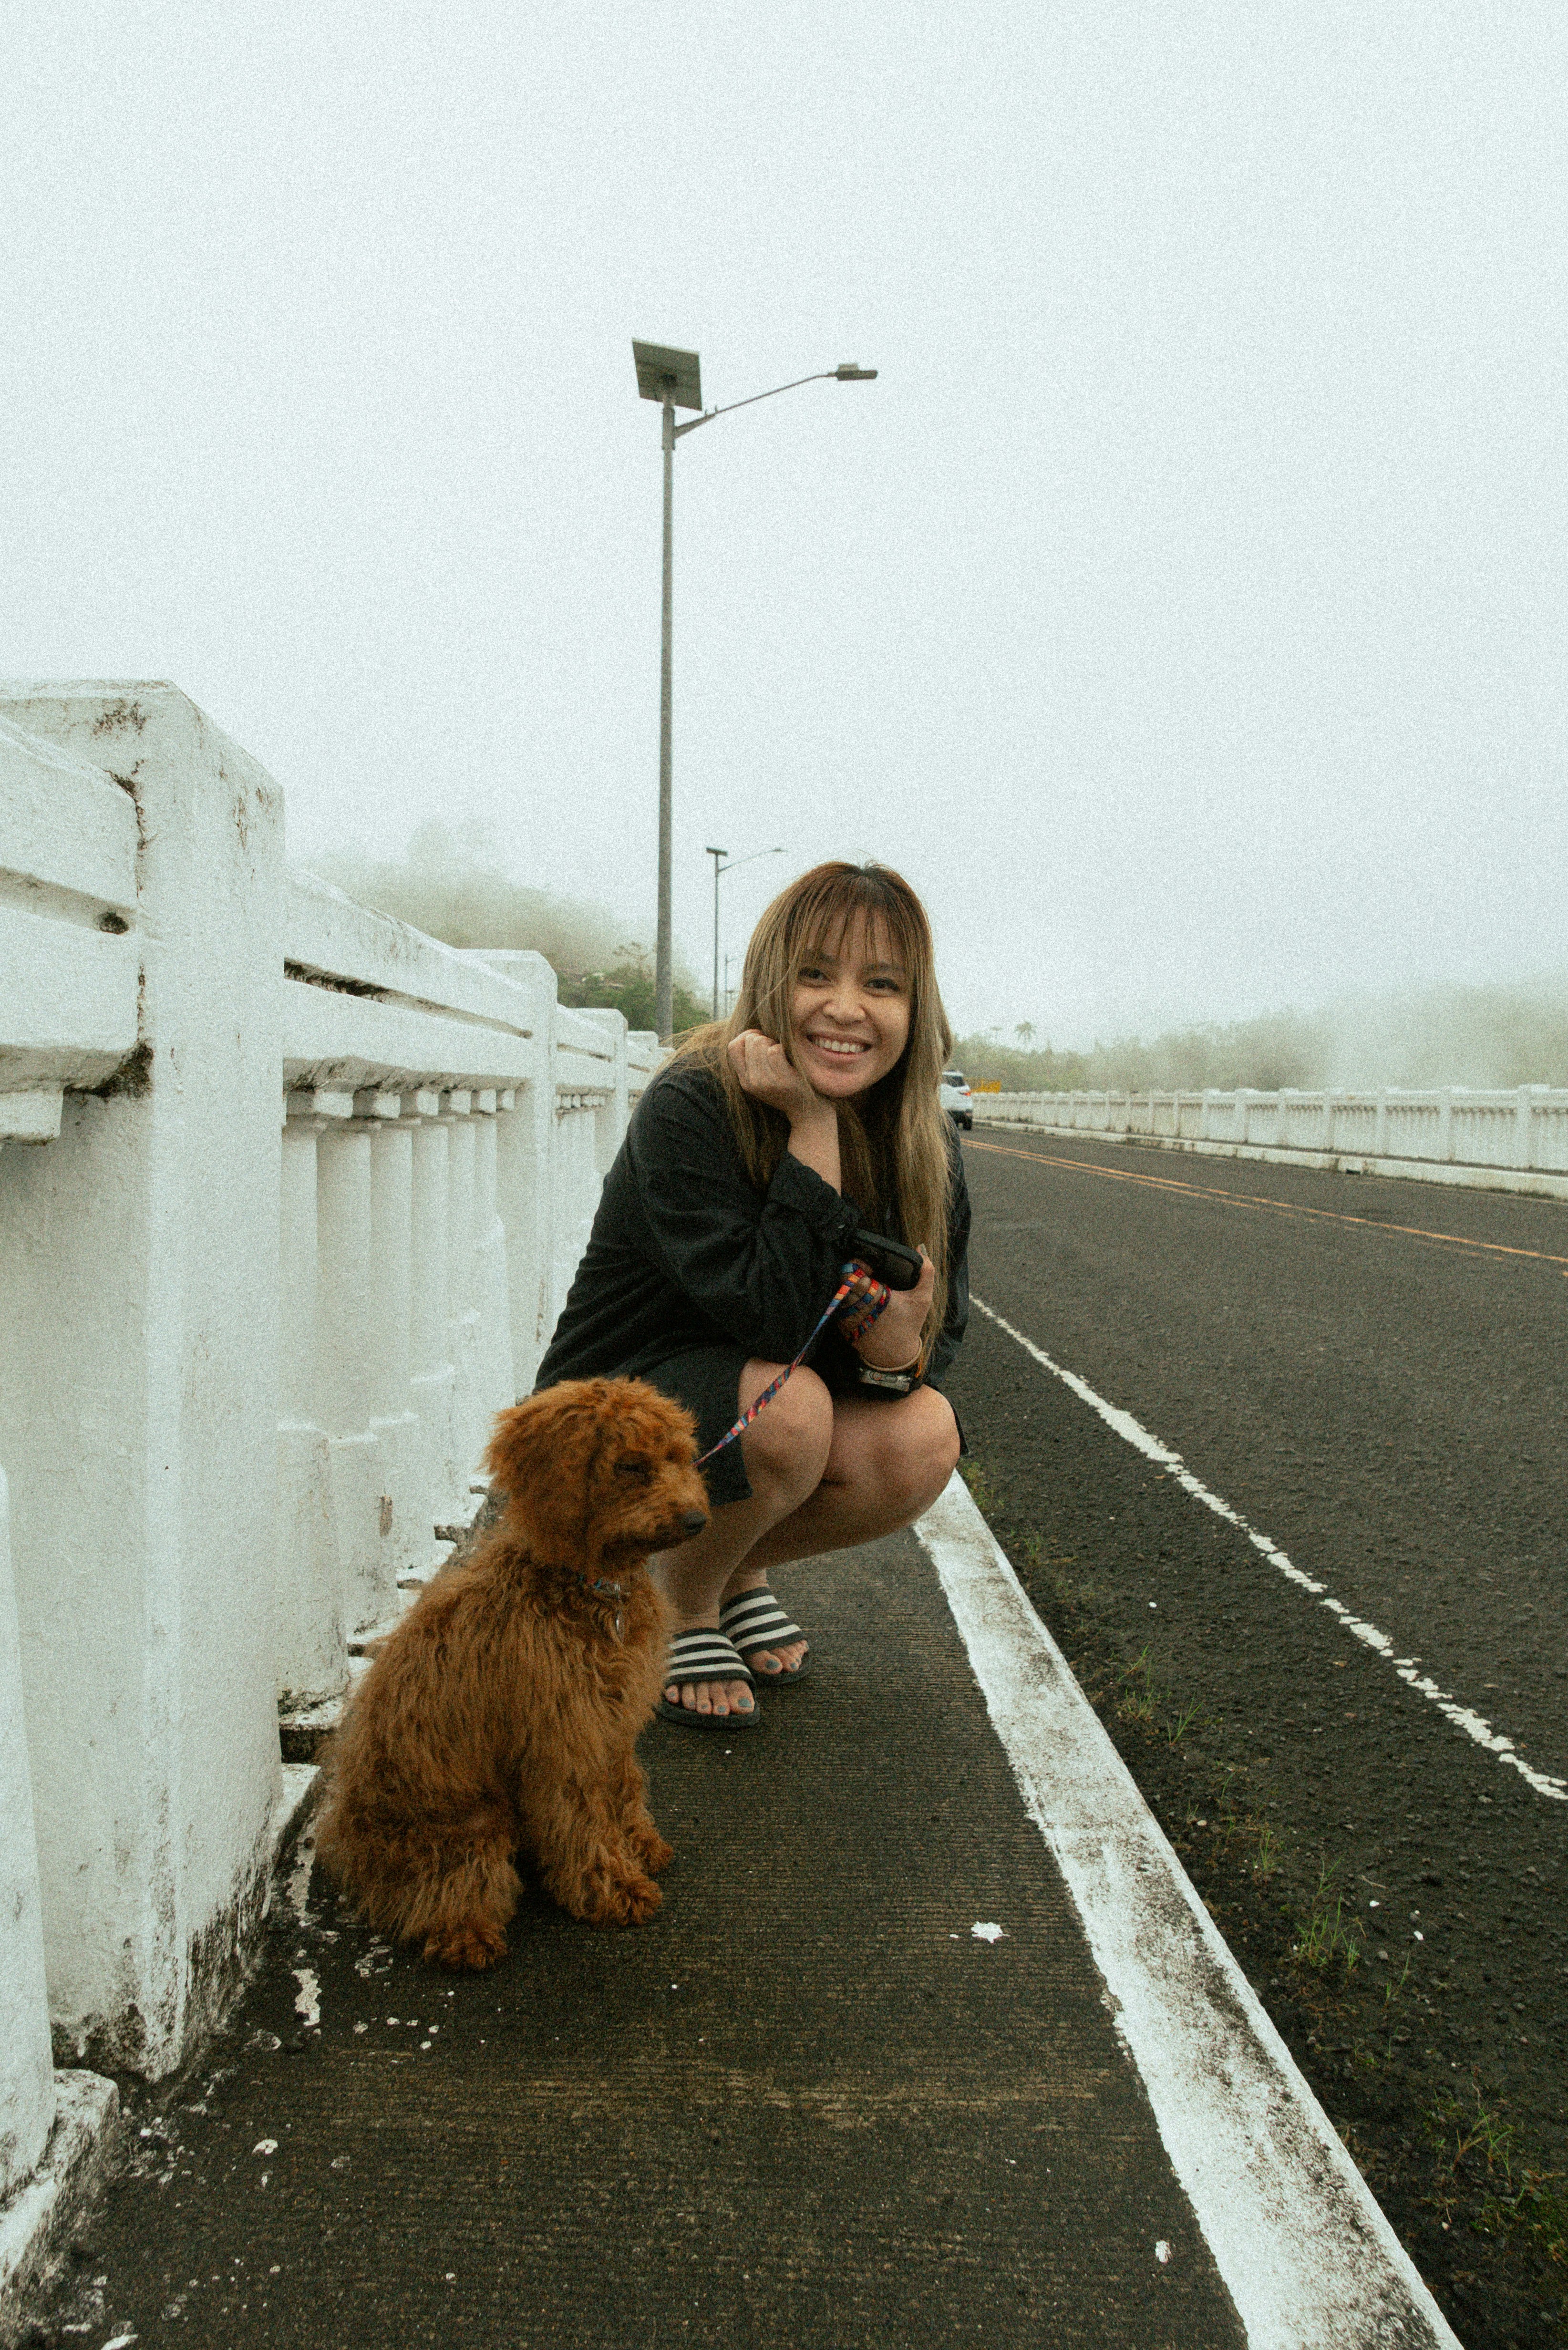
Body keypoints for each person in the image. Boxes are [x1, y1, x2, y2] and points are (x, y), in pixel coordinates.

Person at [533, 859, 969, 1727]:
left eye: (881, 984)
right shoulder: (693, 1105)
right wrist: (810, 1125)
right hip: (604, 1430)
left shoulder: (924, 1143)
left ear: (914, 1011)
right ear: (771, 983)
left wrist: (891, 1362)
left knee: (923, 1436)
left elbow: (934, 1338)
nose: (846, 1007)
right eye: (816, 974)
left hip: (737, 1421)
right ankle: (681, 1606)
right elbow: (771, 1318)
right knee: (791, 1410)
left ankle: (726, 1570)